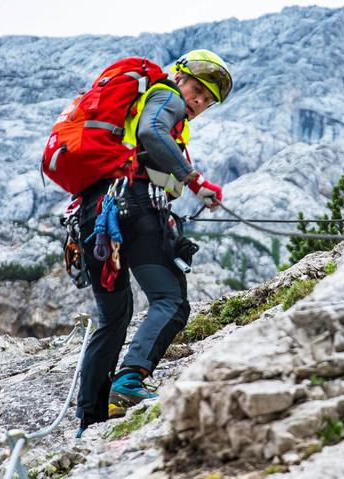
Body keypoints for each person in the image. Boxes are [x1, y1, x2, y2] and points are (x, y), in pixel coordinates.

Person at [75, 49, 232, 437]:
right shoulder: (166, 95)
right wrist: (195, 181)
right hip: (132, 207)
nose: (196, 102)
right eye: (196, 90)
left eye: (206, 100)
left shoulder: (142, 103)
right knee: (171, 300)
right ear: (179, 77)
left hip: (95, 215)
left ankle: (90, 421)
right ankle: (129, 380)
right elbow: (151, 133)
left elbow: (144, 144)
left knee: (112, 318)